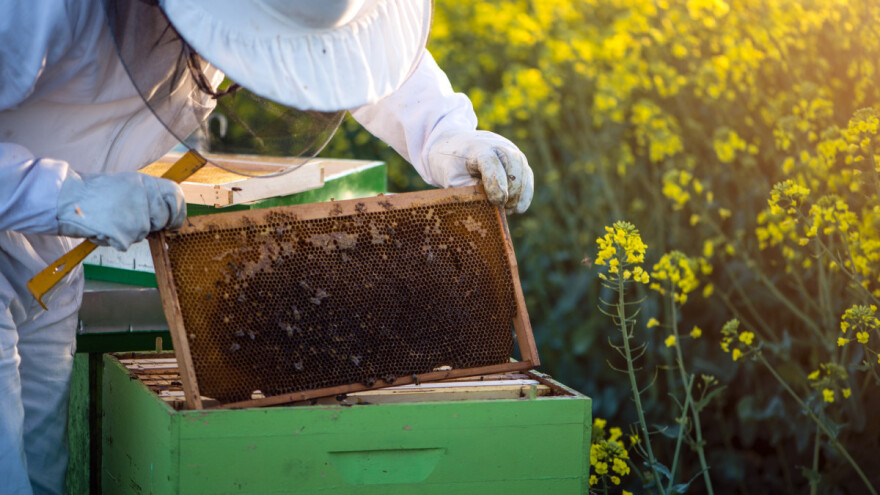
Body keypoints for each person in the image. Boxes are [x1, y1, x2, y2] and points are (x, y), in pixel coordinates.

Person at [0, 0, 535, 492]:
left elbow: (348, 50)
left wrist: (443, 134)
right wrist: (66, 195)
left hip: (49, 255)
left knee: (42, 476)